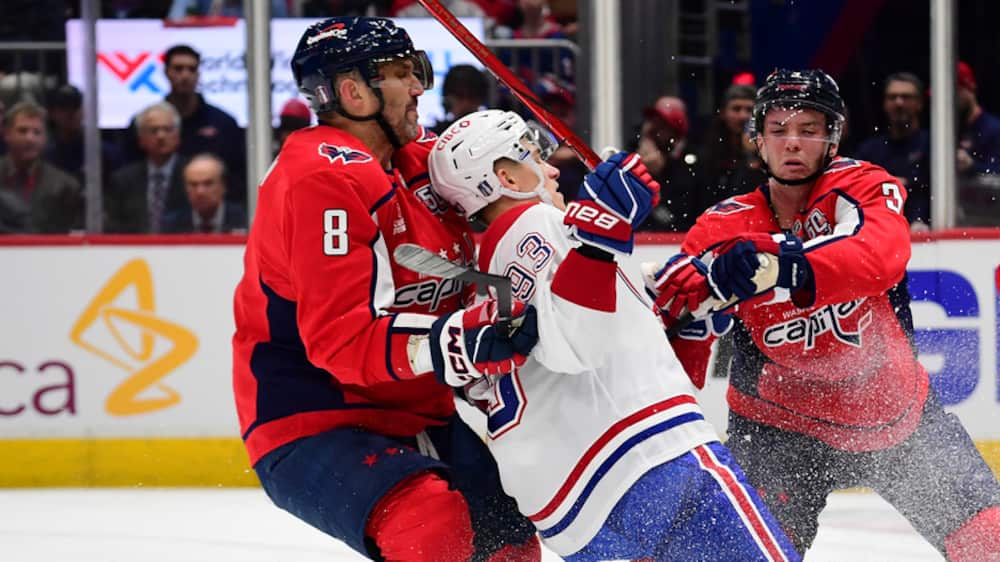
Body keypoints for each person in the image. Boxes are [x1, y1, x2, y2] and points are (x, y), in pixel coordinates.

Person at [642, 68, 1000, 560]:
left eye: (809, 129)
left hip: (896, 417)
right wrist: (685, 310)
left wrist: (776, 262)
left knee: (989, 540)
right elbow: (680, 356)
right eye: (778, 130)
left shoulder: (864, 183)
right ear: (758, 141)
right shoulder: (719, 226)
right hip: (776, 434)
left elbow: (880, 257)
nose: (793, 143)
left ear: (834, 137)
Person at [428, 109, 801, 561]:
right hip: (642, 459)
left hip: (577, 514)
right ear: (503, 176)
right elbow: (576, 341)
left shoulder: (489, 273)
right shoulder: (534, 226)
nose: (550, 168)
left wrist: (700, 302)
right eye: (531, 154)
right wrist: (598, 233)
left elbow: (604, 342)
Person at [232, 17, 541, 562]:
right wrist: (463, 340)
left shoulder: (416, 160)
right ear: (352, 92)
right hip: (317, 419)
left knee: (509, 537)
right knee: (430, 523)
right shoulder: (319, 181)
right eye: (402, 74)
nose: (420, 86)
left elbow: (514, 205)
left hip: (422, 411)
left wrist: (591, 217)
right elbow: (343, 342)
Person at [120, 44, 246, 204]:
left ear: (199, 74)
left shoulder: (223, 123)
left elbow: (237, 176)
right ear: (166, 72)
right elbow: (129, 172)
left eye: (191, 69)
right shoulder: (144, 121)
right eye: (178, 69)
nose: (185, 75)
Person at [855, 72, 931, 231]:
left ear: (920, 103)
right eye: (892, 97)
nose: (899, 103)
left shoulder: (935, 147)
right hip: (877, 233)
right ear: (884, 103)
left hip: (927, 233)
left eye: (906, 97)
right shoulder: (869, 151)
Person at [105, 102, 189, 233]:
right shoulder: (123, 180)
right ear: (141, 139)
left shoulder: (192, 175)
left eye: (167, 129)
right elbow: (113, 225)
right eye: (153, 130)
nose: (161, 136)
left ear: (177, 137)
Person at [0, 100, 82, 233]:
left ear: (45, 139)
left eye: (37, 132)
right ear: (7, 134)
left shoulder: (65, 186)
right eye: (22, 131)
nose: (30, 138)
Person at [634, 95, 701, 231]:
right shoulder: (637, 156)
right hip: (644, 239)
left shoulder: (694, 159)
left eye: (663, 123)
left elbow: (684, 210)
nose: (655, 128)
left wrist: (660, 173)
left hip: (681, 236)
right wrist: (640, 172)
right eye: (653, 121)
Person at [161, 153, 246, 233]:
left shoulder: (244, 221)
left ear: (223, 186)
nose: (200, 192)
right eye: (193, 184)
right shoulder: (172, 226)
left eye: (208, 184)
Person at [429, 64, 488, 136]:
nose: (466, 103)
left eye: (472, 97)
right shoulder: (435, 138)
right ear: (447, 99)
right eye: (460, 96)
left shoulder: (493, 132)